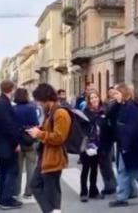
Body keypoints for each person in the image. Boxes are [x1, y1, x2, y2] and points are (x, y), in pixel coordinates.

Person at [27, 83, 72, 213]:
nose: (39, 104)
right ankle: (51, 211)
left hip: (54, 157)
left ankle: (53, 211)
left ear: (46, 98)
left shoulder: (60, 113)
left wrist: (39, 134)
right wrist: (38, 131)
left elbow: (59, 137)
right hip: (46, 155)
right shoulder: (50, 111)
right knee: (36, 185)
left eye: (39, 100)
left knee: (51, 191)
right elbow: (51, 131)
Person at [107, 83, 138, 209]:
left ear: (124, 94)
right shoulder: (121, 106)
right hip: (123, 144)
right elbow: (110, 114)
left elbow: (131, 129)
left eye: (117, 93)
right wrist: (116, 102)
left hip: (131, 146)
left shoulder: (131, 107)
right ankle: (122, 198)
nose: (114, 96)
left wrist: (126, 145)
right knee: (122, 171)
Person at [0, 80, 22, 209]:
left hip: (1, 143)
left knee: (3, 170)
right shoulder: (3, 103)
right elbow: (8, 125)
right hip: (6, 144)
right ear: (11, 89)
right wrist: (16, 142)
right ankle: (6, 199)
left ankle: (3, 197)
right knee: (11, 171)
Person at [12, 88, 39, 199]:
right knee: (31, 166)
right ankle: (29, 191)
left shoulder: (12, 109)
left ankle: (16, 190)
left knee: (17, 168)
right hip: (29, 140)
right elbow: (35, 124)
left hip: (16, 142)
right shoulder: (31, 108)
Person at [80, 90, 106, 202]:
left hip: (98, 143)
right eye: (92, 98)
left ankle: (93, 191)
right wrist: (98, 117)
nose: (94, 99)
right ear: (89, 101)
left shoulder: (104, 110)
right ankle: (83, 192)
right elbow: (84, 126)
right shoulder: (85, 112)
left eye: (96, 97)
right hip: (87, 143)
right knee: (86, 168)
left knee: (95, 168)